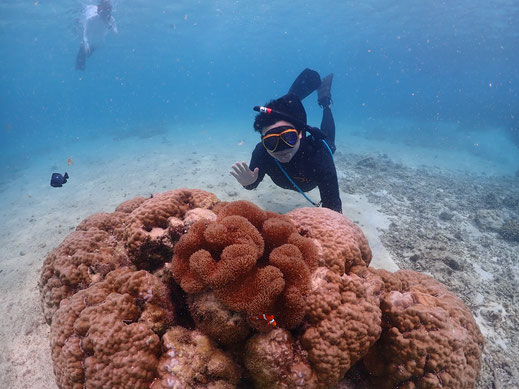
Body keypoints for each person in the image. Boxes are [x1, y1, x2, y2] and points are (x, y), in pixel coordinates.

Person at [230, 69, 342, 213]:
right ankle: (291, 100)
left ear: (301, 133)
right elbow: (252, 182)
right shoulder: (262, 152)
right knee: (288, 108)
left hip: (318, 145)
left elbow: (333, 208)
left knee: (329, 142)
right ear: (263, 141)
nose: (281, 149)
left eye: (289, 137)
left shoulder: (318, 154)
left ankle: (325, 102)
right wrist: (248, 183)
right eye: (271, 141)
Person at [75, 0, 118, 70]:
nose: (105, 14)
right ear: (99, 10)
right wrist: (86, 44)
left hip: (97, 40)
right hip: (89, 33)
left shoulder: (111, 19)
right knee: (82, 54)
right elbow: (85, 34)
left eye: (107, 11)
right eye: (103, 11)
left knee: (88, 54)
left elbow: (115, 34)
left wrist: (108, 25)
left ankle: (80, 67)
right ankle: (79, 69)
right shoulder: (91, 19)